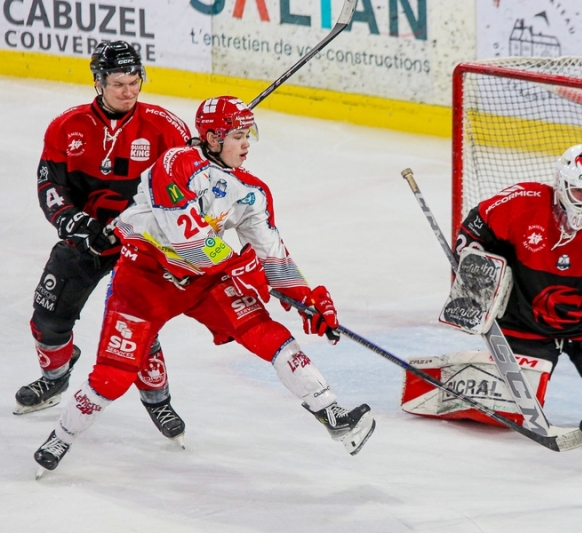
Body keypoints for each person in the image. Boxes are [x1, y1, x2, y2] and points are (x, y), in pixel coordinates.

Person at [33, 96, 376, 475]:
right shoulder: (174, 164)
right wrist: (239, 265)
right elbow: (187, 240)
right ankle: (62, 437)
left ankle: (331, 413)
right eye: (238, 135)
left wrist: (307, 298)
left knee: (266, 332)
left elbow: (273, 257)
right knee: (114, 377)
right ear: (212, 138)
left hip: (203, 283)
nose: (247, 144)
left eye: (250, 135)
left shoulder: (251, 191)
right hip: (143, 278)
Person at [17, 41, 190, 442]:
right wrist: (74, 223)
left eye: (135, 82)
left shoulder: (165, 126)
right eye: (118, 83)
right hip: (87, 240)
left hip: (141, 246)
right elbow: (50, 184)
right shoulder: (67, 126)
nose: (129, 91)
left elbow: (189, 188)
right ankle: (55, 377)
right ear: (98, 82)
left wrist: (201, 158)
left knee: (136, 330)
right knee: (48, 320)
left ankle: (159, 402)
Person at [454, 144, 582, 397]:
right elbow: (476, 227)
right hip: (525, 323)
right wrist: (474, 283)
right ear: (560, 182)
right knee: (510, 399)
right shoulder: (520, 202)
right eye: (578, 190)